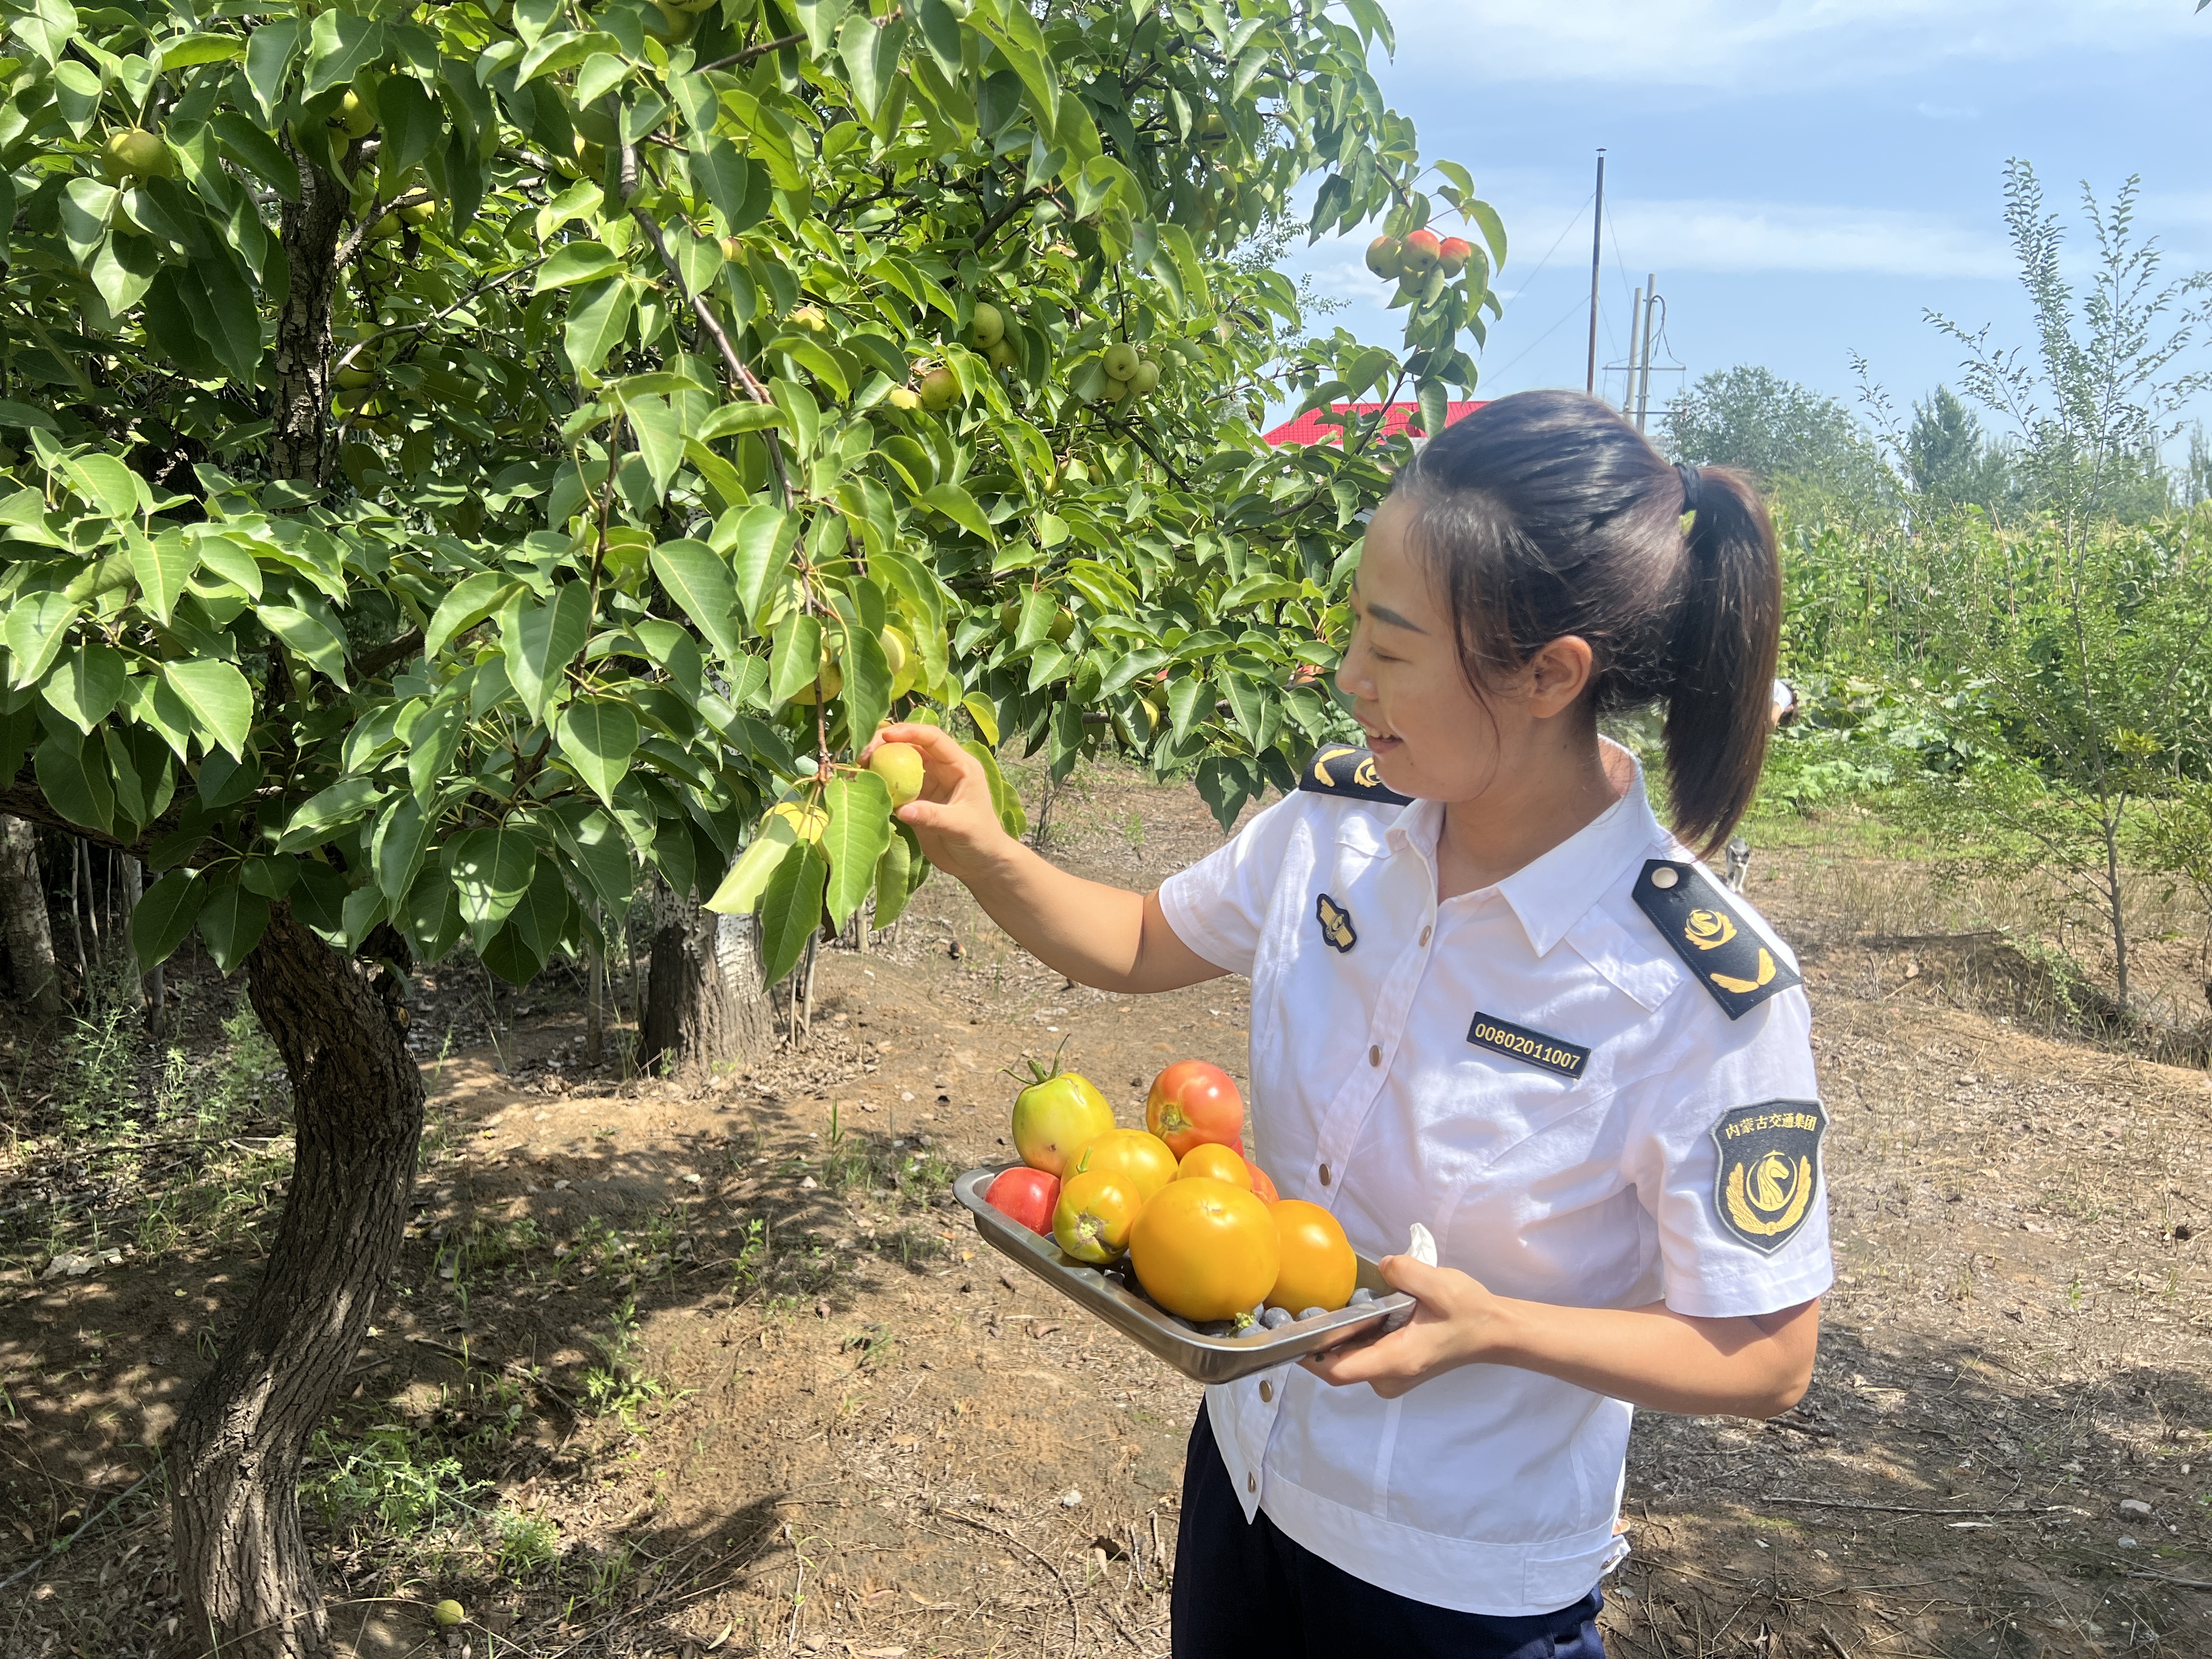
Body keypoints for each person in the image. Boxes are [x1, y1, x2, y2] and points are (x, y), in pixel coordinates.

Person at [869, 390, 1829, 1658]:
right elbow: (1144, 940)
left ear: (1550, 675)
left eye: (1393, 646)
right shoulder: (1338, 830)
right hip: (1252, 1482)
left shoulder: (1691, 987)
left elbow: (1764, 1353)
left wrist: (1499, 1328)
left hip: (1457, 1582)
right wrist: (988, 853)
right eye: (1355, 629)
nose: (1349, 678)